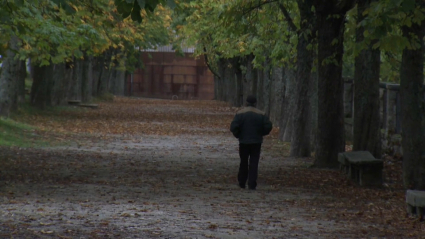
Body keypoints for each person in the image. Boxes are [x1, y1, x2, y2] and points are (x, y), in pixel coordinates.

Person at [230, 95, 273, 190]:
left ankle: (242, 181)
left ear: (246, 103)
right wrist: (261, 133)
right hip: (256, 141)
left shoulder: (240, 114)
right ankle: (252, 183)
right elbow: (268, 126)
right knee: (254, 162)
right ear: (255, 103)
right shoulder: (261, 114)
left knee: (243, 162)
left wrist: (239, 135)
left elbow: (233, 127)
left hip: (244, 141)